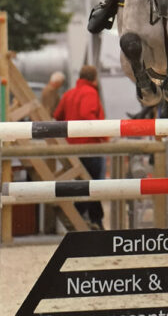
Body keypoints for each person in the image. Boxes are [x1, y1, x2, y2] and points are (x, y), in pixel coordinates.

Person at [53, 65, 107, 230]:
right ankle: (93, 219)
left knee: (84, 184)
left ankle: (84, 217)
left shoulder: (69, 94)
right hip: (90, 146)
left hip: (73, 148)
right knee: (94, 185)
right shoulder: (90, 93)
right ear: (94, 79)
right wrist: (102, 136)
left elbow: (57, 116)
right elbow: (86, 114)